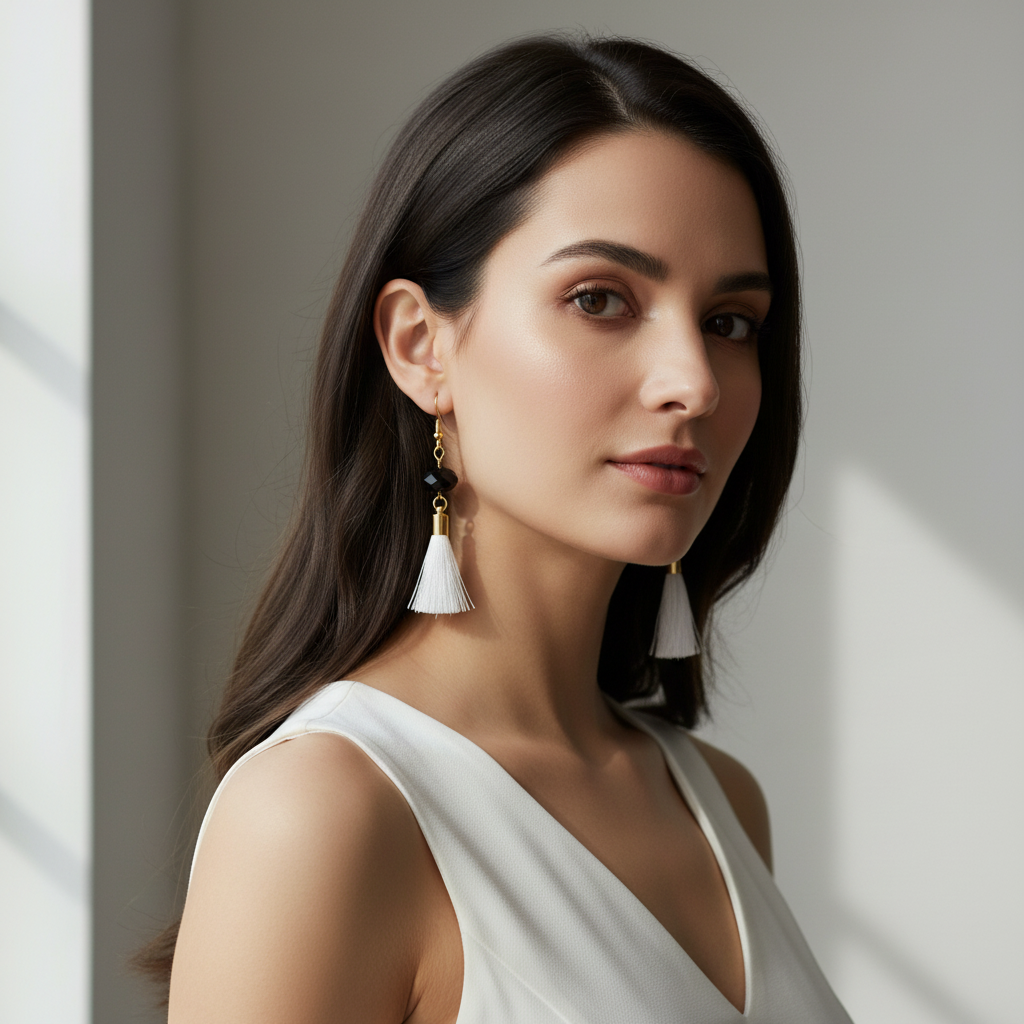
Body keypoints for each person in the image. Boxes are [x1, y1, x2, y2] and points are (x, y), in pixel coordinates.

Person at [148, 33, 852, 1023]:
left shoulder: (718, 803)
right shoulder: (324, 812)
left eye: (731, 321)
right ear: (419, 345)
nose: (692, 381)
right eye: (600, 298)